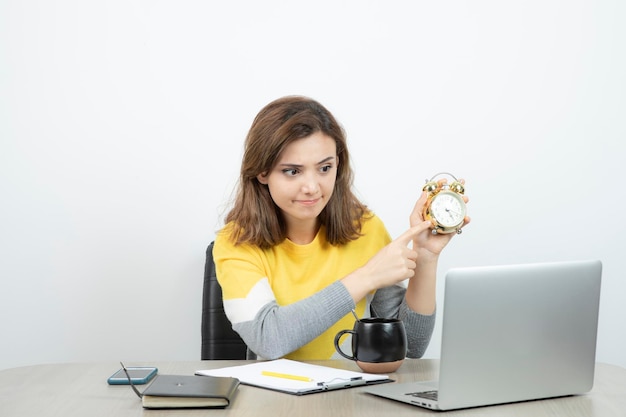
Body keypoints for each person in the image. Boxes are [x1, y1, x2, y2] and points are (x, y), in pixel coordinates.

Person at [213, 95, 469, 361]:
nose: (312, 187)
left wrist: (426, 257)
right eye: (292, 171)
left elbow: (410, 346)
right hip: (276, 400)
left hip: (350, 397)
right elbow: (268, 338)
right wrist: (366, 276)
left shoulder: (364, 228)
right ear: (262, 172)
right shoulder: (236, 243)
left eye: (325, 168)